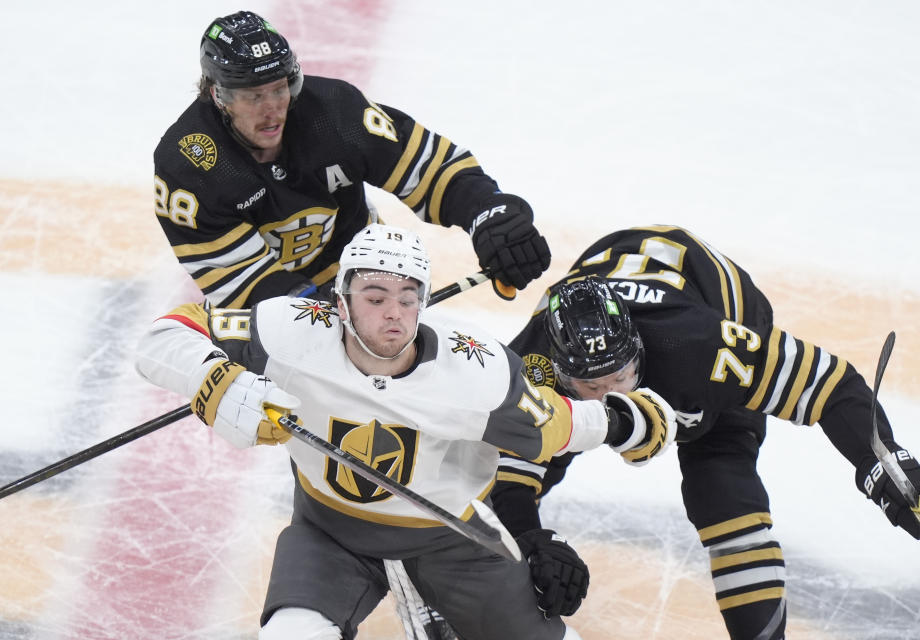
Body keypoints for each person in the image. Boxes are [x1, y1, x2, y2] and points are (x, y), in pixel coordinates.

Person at [134, 224, 675, 640]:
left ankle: (435, 597)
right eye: (374, 297)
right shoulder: (290, 330)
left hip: (453, 538)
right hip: (329, 532)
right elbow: (165, 335)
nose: (393, 314)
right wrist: (214, 377)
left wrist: (630, 421)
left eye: (408, 297)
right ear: (340, 302)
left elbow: (556, 425)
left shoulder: (477, 370)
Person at [490, 225, 920, 639]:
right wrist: (527, 538)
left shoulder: (702, 349)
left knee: (725, 496)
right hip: (623, 297)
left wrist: (884, 462)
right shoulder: (532, 367)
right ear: (560, 374)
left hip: (716, 303)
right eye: (594, 385)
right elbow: (507, 469)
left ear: (640, 349)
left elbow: (828, 384)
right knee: (515, 465)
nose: (615, 396)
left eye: (624, 376)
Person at [153, 10, 550, 309]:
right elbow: (242, 282)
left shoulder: (336, 115)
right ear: (218, 95)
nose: (273, 109)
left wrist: (488, 213)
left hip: (362, 264)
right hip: (265, 307)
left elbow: (431, 170)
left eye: (280, 89)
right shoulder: (189, 166)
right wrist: (318, 313)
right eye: (254, 96)